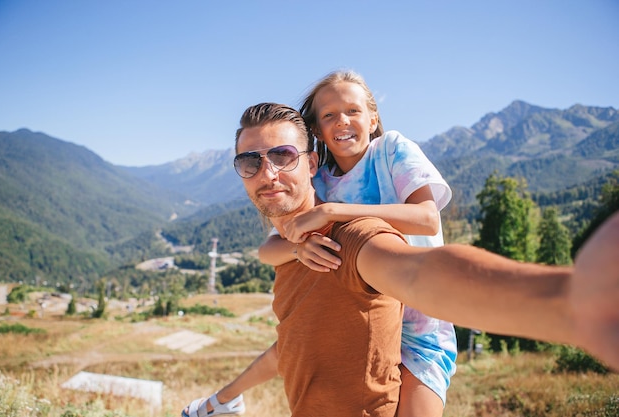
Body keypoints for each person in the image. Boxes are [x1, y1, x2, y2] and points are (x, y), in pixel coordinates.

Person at [183, 102, 619, 417]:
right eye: (250, 161)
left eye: (282, 155)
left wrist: (570, 301)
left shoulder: (350, 237)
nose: (268, 173)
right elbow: (293, 344)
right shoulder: (293, 250)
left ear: (313, 162)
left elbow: (420, 274)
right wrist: (224, 397)